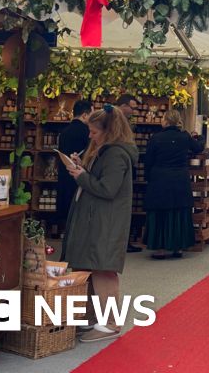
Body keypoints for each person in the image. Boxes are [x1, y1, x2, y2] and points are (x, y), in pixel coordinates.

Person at [63, 105, 139, 343]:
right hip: (99, 218)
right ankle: (100, 318)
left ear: (108, 131)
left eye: (94, 132)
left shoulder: (115, 154)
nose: (90, 136)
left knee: (104, 269)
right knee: (96, 267)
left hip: (106, 220)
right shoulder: (107, 151)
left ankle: (111, 323)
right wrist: (83, 169)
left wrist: (82, 176)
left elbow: (108, 189)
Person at [144, 109, 203, 259]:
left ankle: (161, 249)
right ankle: (178, 247)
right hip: (180, 178)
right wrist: (199, 137)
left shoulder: (156, 138)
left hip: (160, 178)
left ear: (166, 120)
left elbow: (148, 160)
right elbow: (198, 148)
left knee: (161, 213)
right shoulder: (184, 136)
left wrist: (148, 177)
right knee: (179, 212)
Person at [57, 99, 92, 229]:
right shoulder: (88, 132)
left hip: (64, 173)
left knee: (66, 210)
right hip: (80, 175)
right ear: (84, 115)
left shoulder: (64, 132)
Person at [114, 93, 142, 252]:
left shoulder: (120, 119)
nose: (133, 111)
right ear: (123, 106)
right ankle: (120, 243)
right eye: (132, 108)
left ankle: (121, 242)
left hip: (121, 167)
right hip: (119, 169)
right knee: (120, 210)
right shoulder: (115, 120)